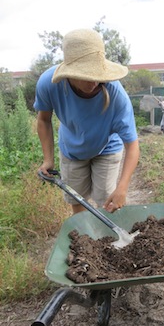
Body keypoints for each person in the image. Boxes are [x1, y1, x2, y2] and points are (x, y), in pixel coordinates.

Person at [34, 28, 140, 215]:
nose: (94, 83)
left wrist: (122, 188)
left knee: (107, 201)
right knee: (77, 199)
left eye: (98, 76)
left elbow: (132, 145)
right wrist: (48, 159)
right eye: (87, 76)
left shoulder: (117, 96)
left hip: (106, 148)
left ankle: (108, 240)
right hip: (72, 149)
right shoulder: (49, 84)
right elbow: (43, 120)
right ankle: (85, 240)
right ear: (69, 73)